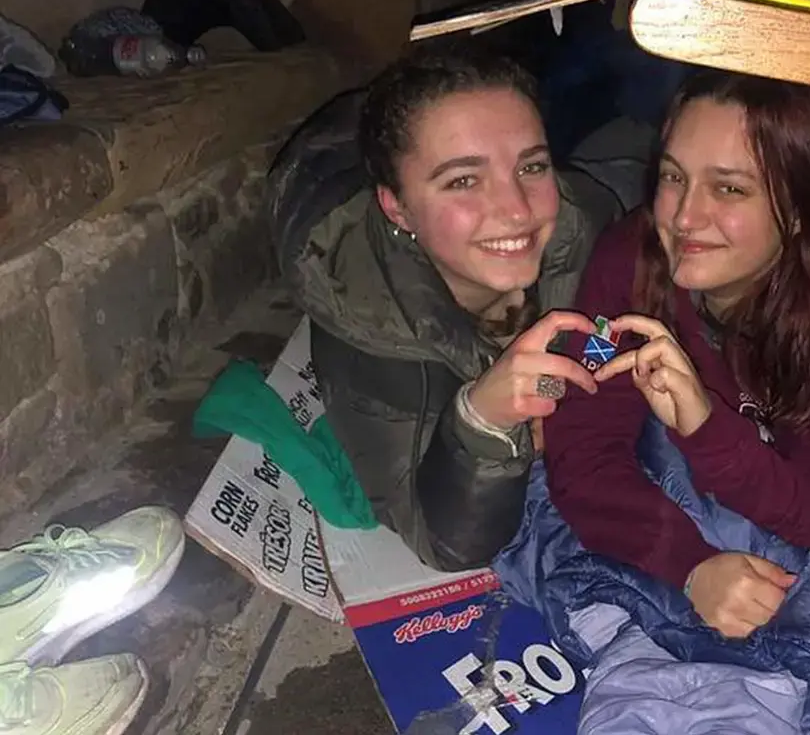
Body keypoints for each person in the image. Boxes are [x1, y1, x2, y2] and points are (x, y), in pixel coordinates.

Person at [544, 69, 810, 639]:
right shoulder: (627, 262)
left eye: (729, 188)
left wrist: (707, 428)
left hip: (775, 497)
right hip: (696, 513)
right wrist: (689, 566)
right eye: (673, 177)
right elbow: (579, 448)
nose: (685, 217)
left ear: (797, 207)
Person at [268, 41, 653, 571]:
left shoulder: (577, 216)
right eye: (463, 181)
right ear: (397, 207)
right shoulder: (370, 317)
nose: (515, 210)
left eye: (532, 167)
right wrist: (484, 422)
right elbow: (445, 542)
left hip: (609, 173)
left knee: (642, 136)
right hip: (348, 165)